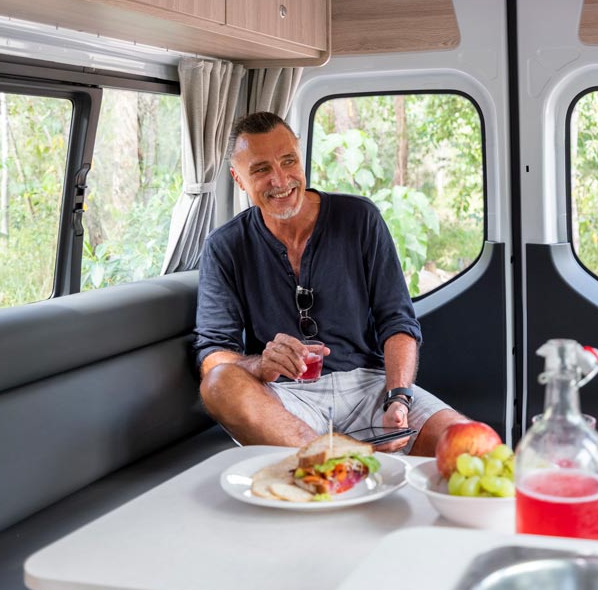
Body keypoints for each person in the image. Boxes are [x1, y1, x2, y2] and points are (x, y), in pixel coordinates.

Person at [195, 111, 469, 455]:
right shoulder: (224, 246)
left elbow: (397, 321)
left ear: (300, 157)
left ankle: (330, 461)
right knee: (218, 383)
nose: (280, 179)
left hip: (370, 387)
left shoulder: (360, 218)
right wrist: (259, 365)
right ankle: (337, 461)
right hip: (284, 397)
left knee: (469, 445)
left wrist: (398, 398)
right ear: (239, 179)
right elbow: (213, 353)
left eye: (288, 161)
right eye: (261, 169)